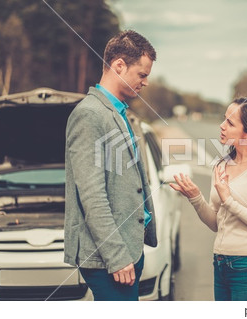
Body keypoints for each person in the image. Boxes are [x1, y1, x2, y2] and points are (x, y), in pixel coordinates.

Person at [64, 30, 158, 301]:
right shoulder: (89, 115)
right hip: (109, 258)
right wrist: (116, 256)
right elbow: (92, 194)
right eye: (142, 74)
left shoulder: (114, 111)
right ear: (119, 65)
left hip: (127, 250)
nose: (146, 82)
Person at [170, 97, 247, 301]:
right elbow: (217, 224)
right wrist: (195, 197)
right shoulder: (221, 165)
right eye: (224, 119)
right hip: (221, 263)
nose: (222, 126)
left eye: (230, 123)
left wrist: (229, 200)